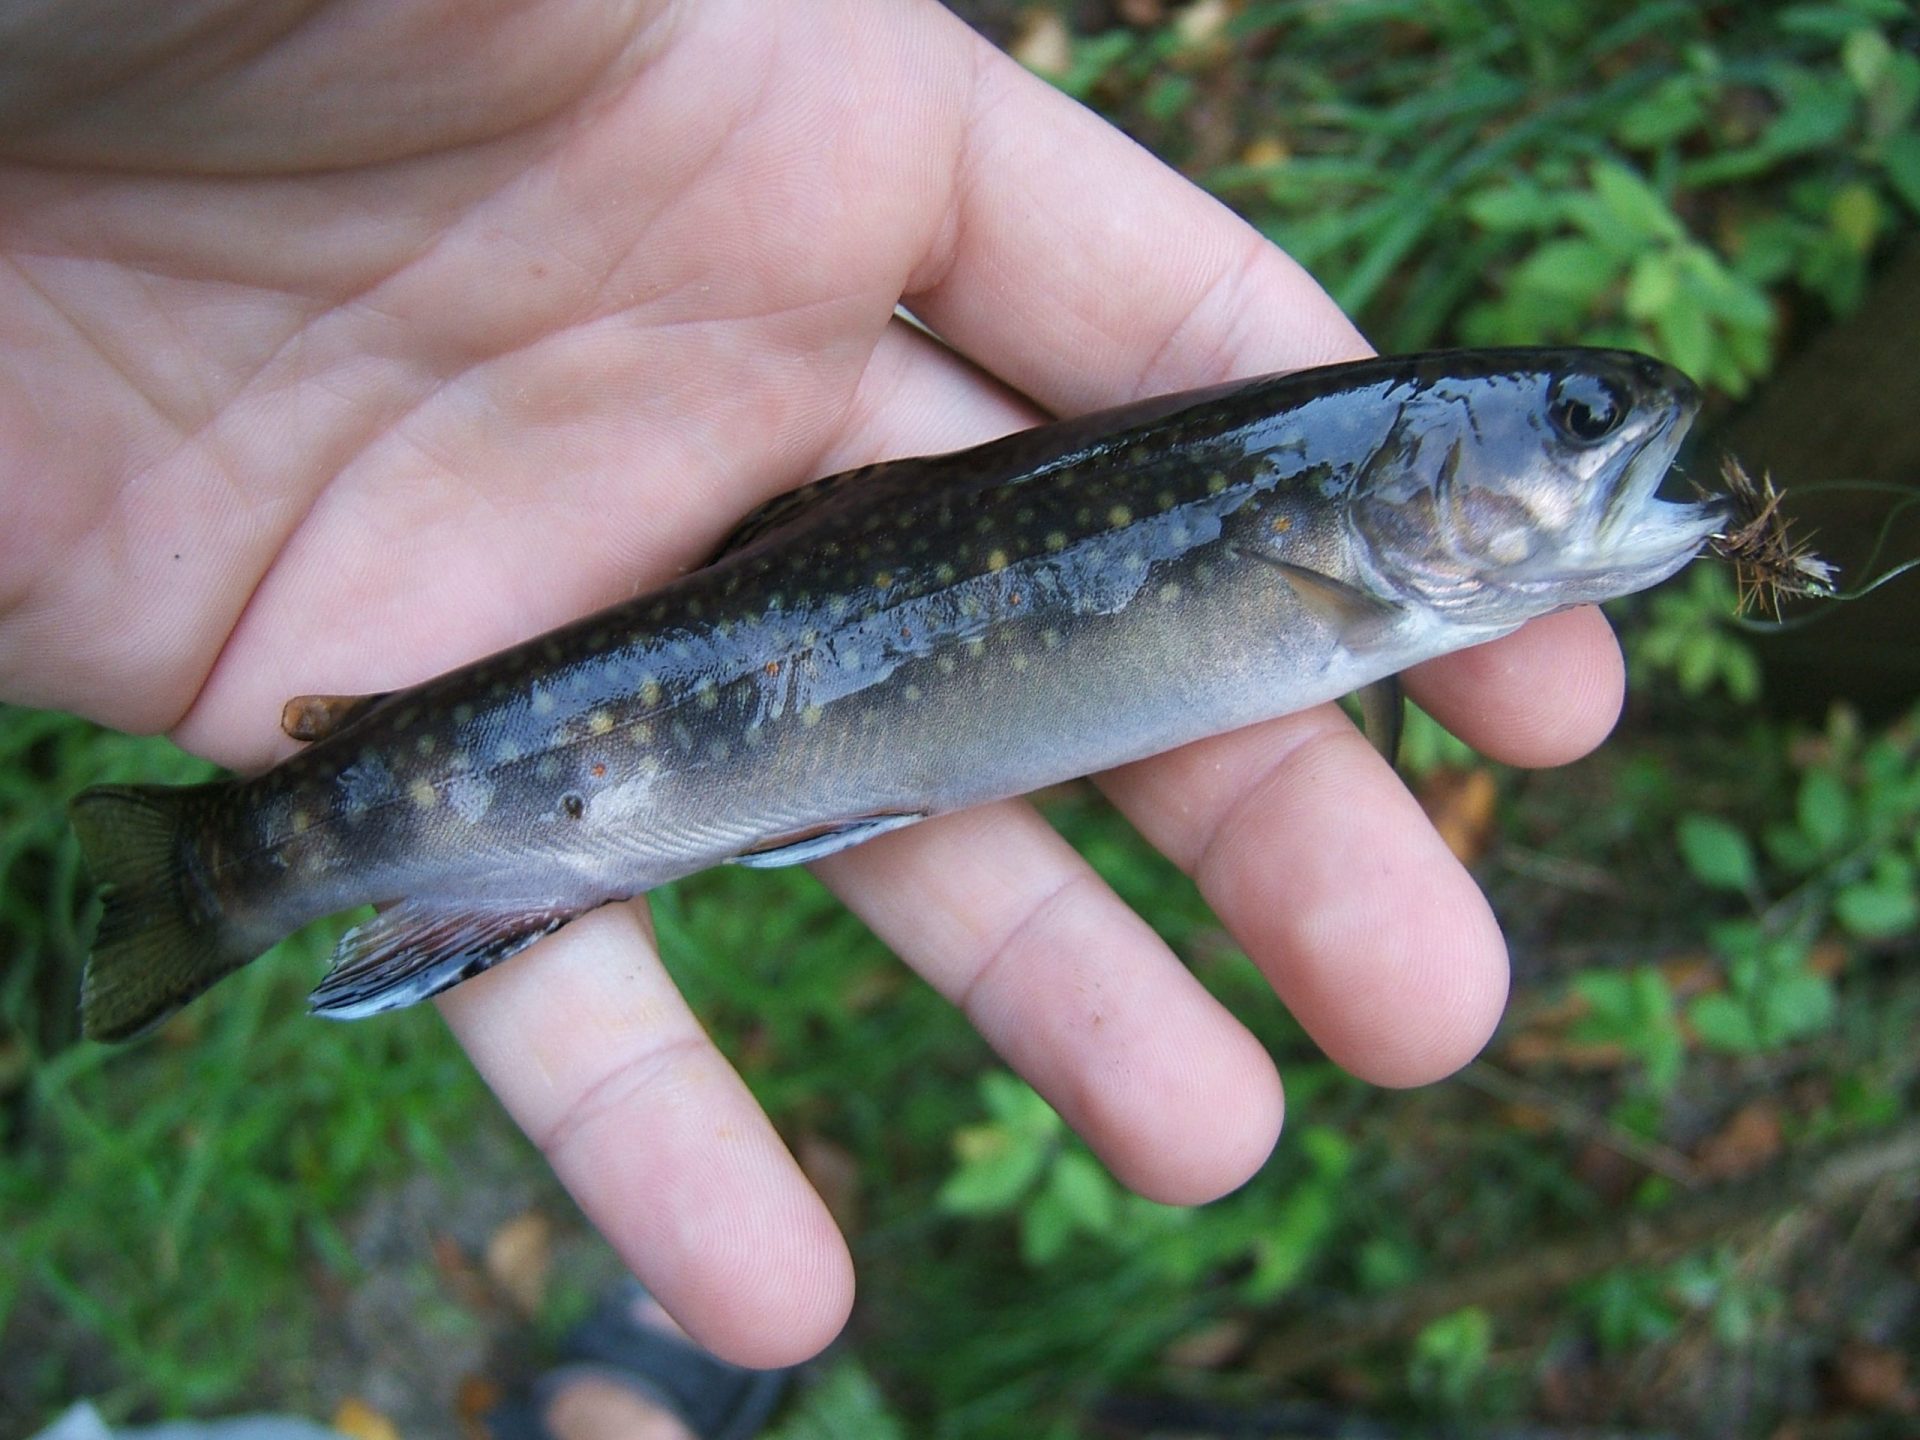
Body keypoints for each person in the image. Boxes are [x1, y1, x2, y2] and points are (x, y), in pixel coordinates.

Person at [2, 1, 1629, 1426]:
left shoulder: (1357, 534)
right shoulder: (1352, 543)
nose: (1609, 443)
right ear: (1421, 463)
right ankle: (213, 875)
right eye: (1581, 421)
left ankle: (225, 873)